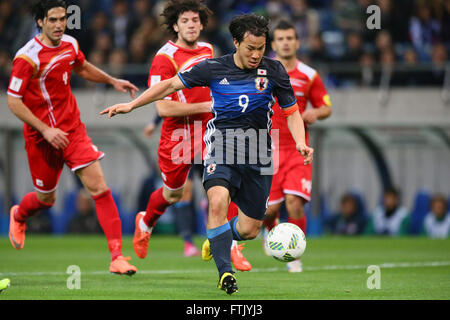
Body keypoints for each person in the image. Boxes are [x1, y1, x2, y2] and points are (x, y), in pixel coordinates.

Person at [101, 13, 314, 295]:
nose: (256, 54)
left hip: (259, 152)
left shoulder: (274, 71)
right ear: (236, 43)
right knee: (217, 202)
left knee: (250, 229)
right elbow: (169, 86)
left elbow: (292, 112)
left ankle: (218, 239)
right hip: (222, 145)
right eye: (250, 48)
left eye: (261, 48)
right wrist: (133, 106)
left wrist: (300, 141)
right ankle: (225, 273)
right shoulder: (213, 68)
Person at [7, 0, 138, 275]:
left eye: (62, 19)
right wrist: (44, 129)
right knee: (46, 200)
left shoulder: (70, 44)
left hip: (72, 130)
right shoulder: (27, 57)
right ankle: (19, 215)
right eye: (52, 20)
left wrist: (111, 81)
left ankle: (117, 257)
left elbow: (82, 66)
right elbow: (13, 101)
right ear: (40, 22)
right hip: (41, 137)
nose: (58, 25)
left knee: (99, 188)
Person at [135, 0, 251, 271]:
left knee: (223, 188)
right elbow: (163, 107)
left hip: (210, 131)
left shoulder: (208, 49)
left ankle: (233, 247)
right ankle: (146, 221)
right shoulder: (164, 58)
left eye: (195, 21)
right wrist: (206, 106)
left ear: (202, 24)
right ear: (175, 25)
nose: (191, 25)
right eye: (185, 21)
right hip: (177, 136)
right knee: (173, 194)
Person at [263, 20, 331, 272]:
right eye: (280, 39)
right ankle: (270, 234)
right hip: (268, 149)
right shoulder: (263, 71)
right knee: (268, 211)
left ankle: (295, 255)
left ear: (297, 42)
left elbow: (326, 106)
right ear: (274, 44)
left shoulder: (309, 75)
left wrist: (316, 114)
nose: (286, 42)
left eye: (290, 38)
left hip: (298, 148)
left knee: (294, 202)